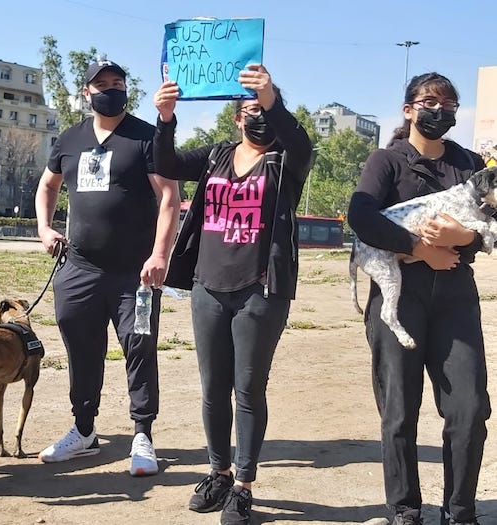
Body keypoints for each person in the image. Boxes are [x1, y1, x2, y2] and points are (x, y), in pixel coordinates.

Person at [153, 64, 312, 524]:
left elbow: (298, 139)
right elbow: (164, 163)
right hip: (208, 287)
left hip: (259, 291)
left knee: (247, 388)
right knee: (212, 387)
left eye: (264, 107)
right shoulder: (215, 156)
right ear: (236, 120)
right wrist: (166, 117)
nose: (257, 116)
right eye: (249, 110)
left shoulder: (287, 158)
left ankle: (243, 485)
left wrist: (270, 98)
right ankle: (218, 472)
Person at [347, 73, 490, 525]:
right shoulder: (386, 162)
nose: (440, 110)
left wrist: (462, 236)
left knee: (468, 410)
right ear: (409, 109)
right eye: (430, 101)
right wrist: (419, 248)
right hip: (400, 300)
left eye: (449, 104)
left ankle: (460, 512)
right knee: (399, 411)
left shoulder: (469, 163)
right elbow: (361, 215)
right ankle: (405, 510)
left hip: (455, 299)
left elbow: (489, 226)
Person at [34, 58, 180, 476]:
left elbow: (169, 197)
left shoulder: (145, 136)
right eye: (103, 83)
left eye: (118, 82)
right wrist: (45, 228)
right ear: (87, 92)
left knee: (139, 348)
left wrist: (159, 255)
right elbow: (47, 184)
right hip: (78, 270)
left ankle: (143, 435)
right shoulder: (70, 138)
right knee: (82, 350)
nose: (111, 88)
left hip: (135, 274)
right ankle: (83, 431)